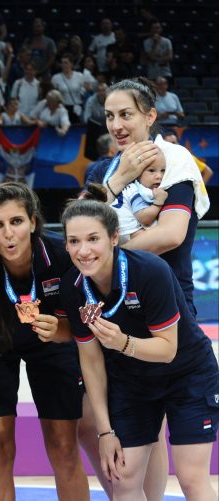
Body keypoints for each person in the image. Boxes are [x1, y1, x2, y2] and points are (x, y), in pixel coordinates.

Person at [59, 198, 218, 501]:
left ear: (114, 237)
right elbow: (91, 362)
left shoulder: (149, 271)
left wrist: (122, 343)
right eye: (74, 241)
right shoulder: (73, 287)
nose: (84, 250)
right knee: (124, 477)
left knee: (191, 478)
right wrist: (105, 432)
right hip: (132, 381)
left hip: (187, 375)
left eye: (93, 239)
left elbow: (168, 350)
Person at [0, 183, 90, 500]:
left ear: (33, 222)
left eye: (16, 221)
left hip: (51, 345)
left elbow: (81, 330)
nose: (8, 234)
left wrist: (60, 330)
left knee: (64, 446)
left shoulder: (61, 257)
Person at [92, 78, 210, 312]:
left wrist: (103, 259)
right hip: (115, 302)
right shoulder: (102, 170)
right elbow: (77, 224)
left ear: (150, 116)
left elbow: (170, 235)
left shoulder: (174, 158)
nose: (116, 126)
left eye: (125, 115)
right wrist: (119, 179)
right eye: (109, 116)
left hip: (167, 300)